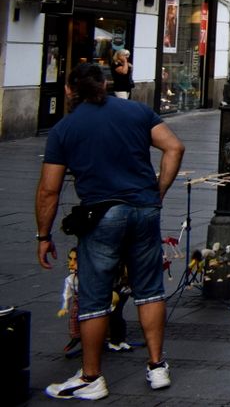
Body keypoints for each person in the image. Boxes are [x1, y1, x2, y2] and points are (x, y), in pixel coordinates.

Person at [35, 64, 185, 400]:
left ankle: (91, 377)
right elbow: (174, 147)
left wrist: (43, 235)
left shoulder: (65, 128)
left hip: (102, 213)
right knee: (149, 289)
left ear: (70, 91)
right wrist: (157, 192)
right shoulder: (136, 111)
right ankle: (157, 365)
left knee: (95, 294)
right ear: (105, 84)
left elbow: (49, 190)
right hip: (145, 209)